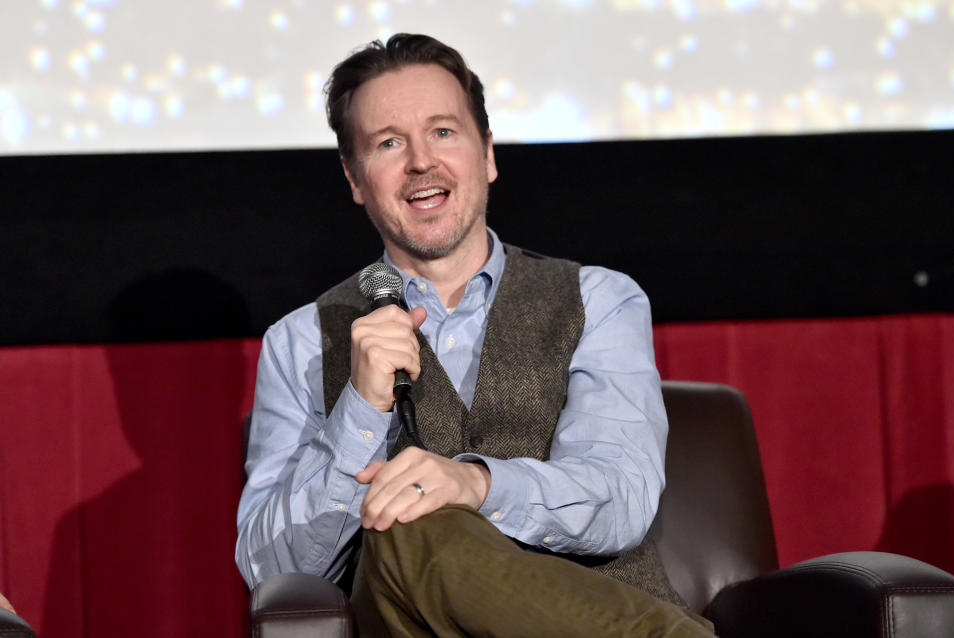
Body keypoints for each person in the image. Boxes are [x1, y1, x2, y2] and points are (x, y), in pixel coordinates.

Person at [236, 33, 713, 636]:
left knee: (418, 500)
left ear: (486, 154)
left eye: (443, 131)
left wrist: (474, 483)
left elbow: (620, 499)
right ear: (355, 179)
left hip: (590, 608)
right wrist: (358, 412)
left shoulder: (600, 300)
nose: (420, 162)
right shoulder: (300, 341)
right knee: (406, 521)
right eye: (388, 143)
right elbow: (269, 568)